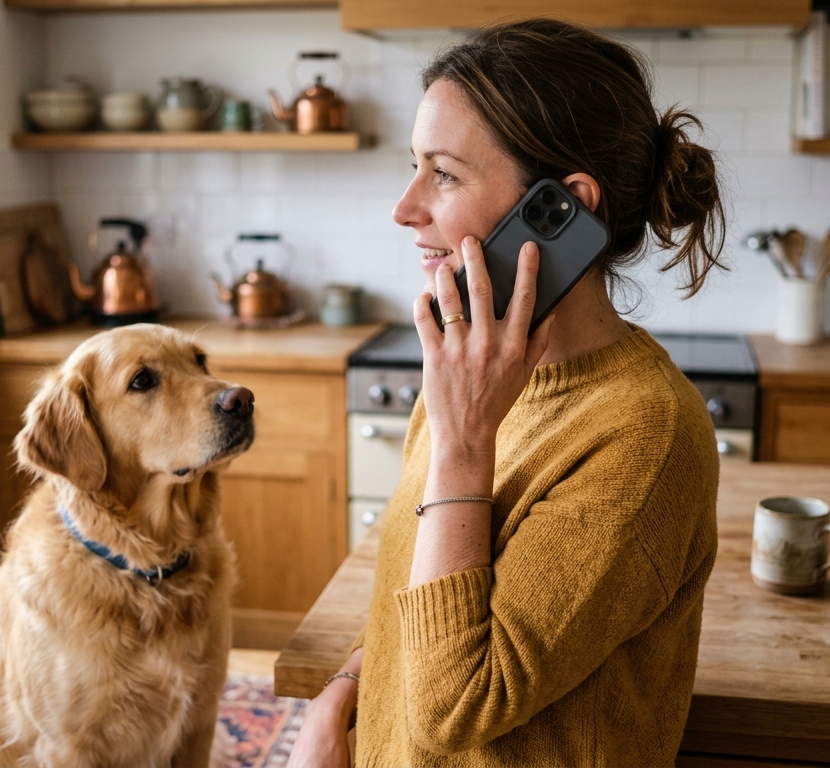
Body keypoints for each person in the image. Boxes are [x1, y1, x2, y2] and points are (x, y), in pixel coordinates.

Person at [288, 17, 725, 767]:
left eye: (445, 174)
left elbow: (455, 706)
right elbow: (423, 591)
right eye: (415, 166)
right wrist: (342, 692)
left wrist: (464, 443)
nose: (404, 207)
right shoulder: (470, 372)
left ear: (564, 208)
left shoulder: (647, 436)